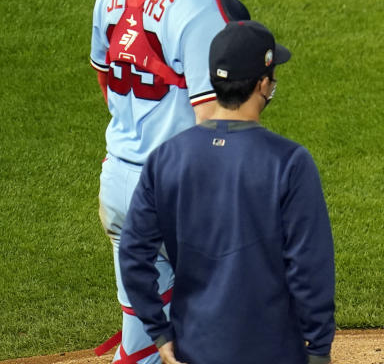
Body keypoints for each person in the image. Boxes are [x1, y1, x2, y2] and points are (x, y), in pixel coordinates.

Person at [90, 0, 258, 363]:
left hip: (119, 182)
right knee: (227, 324)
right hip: (176, 194)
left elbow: (107, 86)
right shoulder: (201, 8)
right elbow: (216, 122)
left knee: (145, 328)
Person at [119, 20, 336, 364]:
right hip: (273, 351)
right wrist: (319, 347)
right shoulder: (290, 162)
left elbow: (133, 252)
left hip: (195, 348)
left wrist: (159, 331)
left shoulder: (166, 158)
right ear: (263, 84)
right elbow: (310, 266)